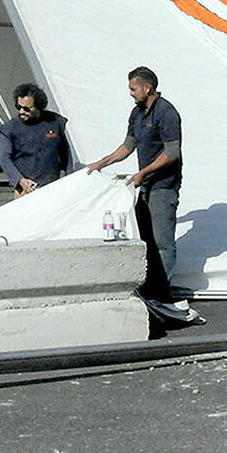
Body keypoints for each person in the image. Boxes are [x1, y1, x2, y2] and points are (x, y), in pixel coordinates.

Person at [87, 67, 201, 323]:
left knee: (162, 242)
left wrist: (144, 172)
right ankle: (148, 288)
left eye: (133, 88)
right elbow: (128, 146)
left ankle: (163, 293)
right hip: (145, 186)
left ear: (147, 88)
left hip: (163, 185)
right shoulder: (137, 113)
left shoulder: (166, 112)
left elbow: (172, 152)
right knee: (144, 239)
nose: (130, 93)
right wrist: (102, 163)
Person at [0, 83, 71, 196]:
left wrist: (69, 177)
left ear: (39, 106)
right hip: (26, 189)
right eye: (19, 107)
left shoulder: (56, 122)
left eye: (26, 108)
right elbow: (4, 159)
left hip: (52, 186)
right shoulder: (9, 129)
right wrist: (20, 180)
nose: (21, 111)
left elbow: (66, 152)